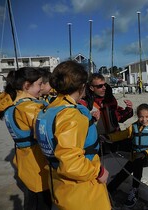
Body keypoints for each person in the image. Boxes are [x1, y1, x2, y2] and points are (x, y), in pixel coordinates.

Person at [35, 61, 111, 210]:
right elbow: (71, 163)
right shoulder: (71, 115)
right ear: (82, 86)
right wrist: (99, 171)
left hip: (59, 184)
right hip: (82, 190)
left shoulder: (47, 110)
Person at [0, 67, 52, 210]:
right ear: (26, 85)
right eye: (39, 84)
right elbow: (50, 133)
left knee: (31, 200)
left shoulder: (10, 106)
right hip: (38, 167)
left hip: (25, 164)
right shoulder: (30, 108)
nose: (41, 87)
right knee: (40, 203)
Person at [104, 103, 148, 208]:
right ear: (138, 116)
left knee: (136, 162)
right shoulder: (134, 126)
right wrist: (109, 137)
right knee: (128, 167)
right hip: (136, 155)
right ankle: (110, 189)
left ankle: (135, 190)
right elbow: (122, 134)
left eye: (147, 117)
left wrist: (145, 153)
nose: (144, 119)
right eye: (141, 117)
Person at [80, 73, 134, 153]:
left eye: (104, 85)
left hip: (114, 138)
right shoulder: (84, 104)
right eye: (99, 86)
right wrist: (92, 119)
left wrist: (128, 109)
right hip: (97, 142)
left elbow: (118, 118)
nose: (104, 88)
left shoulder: (110, 99)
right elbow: (80, 126)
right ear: (91, 88)